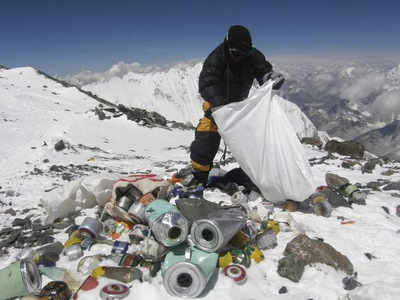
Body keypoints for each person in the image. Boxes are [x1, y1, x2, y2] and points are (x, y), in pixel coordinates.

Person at [187, 25, 285, 186]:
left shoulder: (253, 56)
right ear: (227, 45)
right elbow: (206, 83)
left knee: (254, 142)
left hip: (241, 109)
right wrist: (220, 106)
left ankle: (254, 175)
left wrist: (270, 78)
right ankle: (199, 176)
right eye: (236, 53)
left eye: (243, 53)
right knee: (206, 138)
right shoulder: (216, 57)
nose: (239, 56)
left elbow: (263, 71)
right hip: (217, 108)